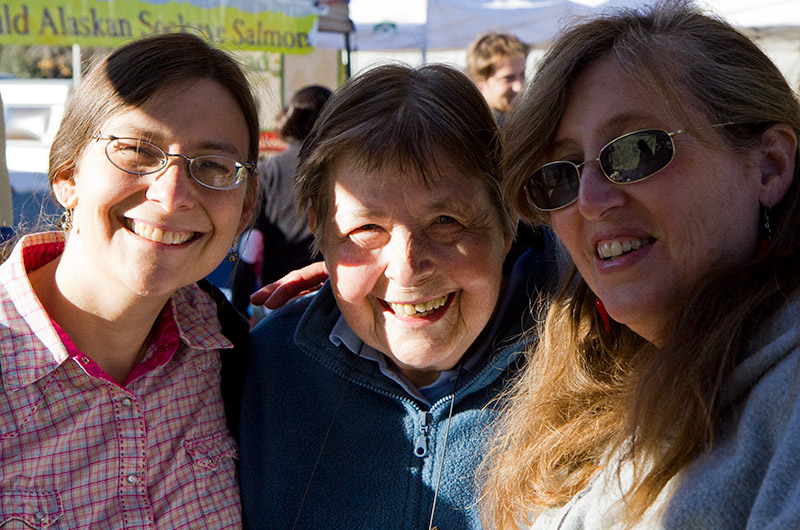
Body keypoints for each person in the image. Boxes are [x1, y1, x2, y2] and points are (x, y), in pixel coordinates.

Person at [480, 4, 800, 529]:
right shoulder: (584, 380)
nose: (588, 199)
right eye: (557, 176)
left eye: (635, 150)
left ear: (770, 166)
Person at [239, 63, 555, 530]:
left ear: (508, 222)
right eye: (367, 228)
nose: (407, 265)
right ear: (319, 230)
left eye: (447, 221)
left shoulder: (582, 360)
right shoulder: (263, 368)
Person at [0, 32, 259, 527]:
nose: (172, 194)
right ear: (67, 174)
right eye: (138, 150)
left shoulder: (233, 355)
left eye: (212, 165)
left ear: (244, 208)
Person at [231, 85, 332, 316]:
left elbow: (251, 242)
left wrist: (237, 309)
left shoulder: (269, 170)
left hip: (277, 297)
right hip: (331, 295)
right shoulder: (338, 168)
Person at [466, 32, 528, 128]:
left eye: (522, 75)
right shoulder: (474, 130)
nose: (519, 87)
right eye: (508, 78)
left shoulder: (521, 122)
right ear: (480, 82)